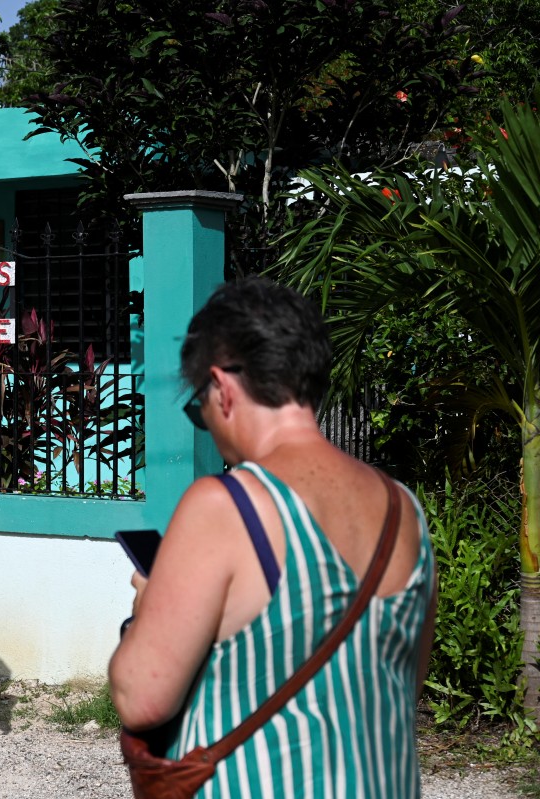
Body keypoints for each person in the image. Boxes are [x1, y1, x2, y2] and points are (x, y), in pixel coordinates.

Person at [109, 277, 436, 796]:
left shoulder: (226, 506)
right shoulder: (405, 511)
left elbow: (141, 696)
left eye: (200, 409)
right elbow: (400, 684)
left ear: (224, 389)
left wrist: (149, 605)